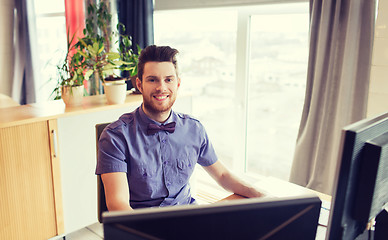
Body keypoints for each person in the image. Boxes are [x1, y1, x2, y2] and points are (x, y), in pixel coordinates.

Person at [95, 45, 263, 211]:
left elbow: (222, 175)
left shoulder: (194, 129)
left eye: (169, 79)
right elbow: (118, 204)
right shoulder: (115, 136)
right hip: (142, 226)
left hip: (188, 219)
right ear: (139, 84)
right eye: (152, 79)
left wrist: (259, 194)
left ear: (178, 83)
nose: (161, 87)